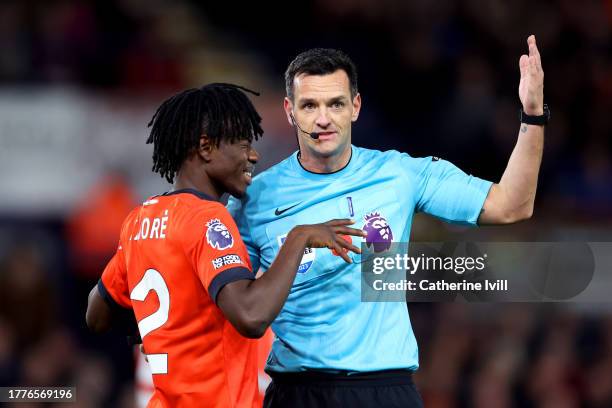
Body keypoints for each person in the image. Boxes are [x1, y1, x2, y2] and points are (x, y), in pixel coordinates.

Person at [227, 36, 546, 407]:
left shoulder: (399, 174)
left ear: (356, 106)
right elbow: (239, 308)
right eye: (309, 105)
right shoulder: (254, 199)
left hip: (384, 390)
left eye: (336, 103)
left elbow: (511, 204)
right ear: (289, 110)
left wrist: (533, 115)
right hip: (297, 392)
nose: (323, 118)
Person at [85, 83, 365, 408]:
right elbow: (250, 317)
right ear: (206, 147)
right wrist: (298, 239)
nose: (253, 155)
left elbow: (96, 315)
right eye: (243, 144)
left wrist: (163, 330)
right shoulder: (208, 218)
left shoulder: (139, 220)